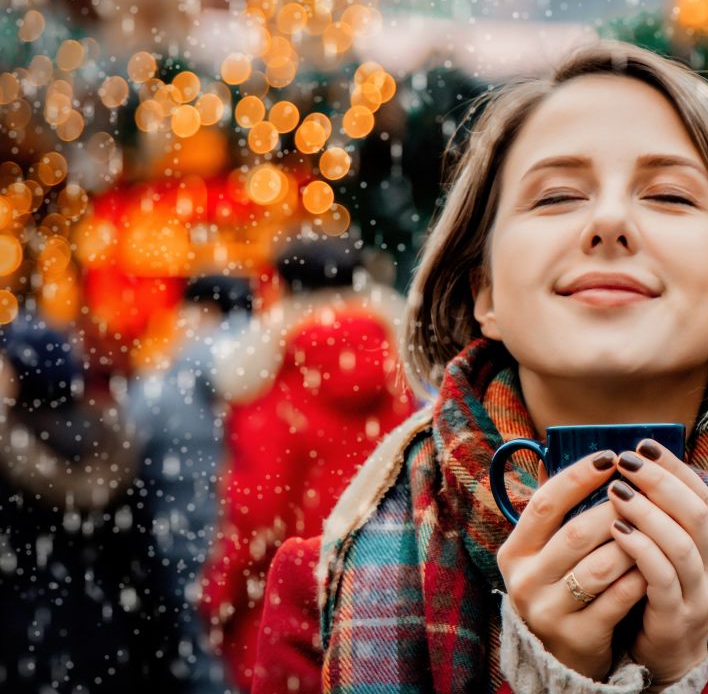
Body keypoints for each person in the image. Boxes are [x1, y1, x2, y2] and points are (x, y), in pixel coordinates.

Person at [251, 40, 708, 694]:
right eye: (557, 195)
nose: (610, 222)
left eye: (668, 195)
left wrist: (687, 675)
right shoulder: (317, 593)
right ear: (485, 294)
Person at [200, 240, 416, 691]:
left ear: (278, 288)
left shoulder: (272, 371)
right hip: (386, 593)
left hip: (294, 604)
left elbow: (258, 512)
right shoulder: (398, 364)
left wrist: (218, 600)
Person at [0, 311, 177, 692]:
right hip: (107, 641)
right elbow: (146, 569)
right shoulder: (113, 442)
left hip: (23, 646)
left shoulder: (8, 451)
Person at [127, 275, 254, 694]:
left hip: (181, 545)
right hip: (254, 544)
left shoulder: (164, 385)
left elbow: (126, 455)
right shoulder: (272, 370)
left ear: (203, 312)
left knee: (200, 663)